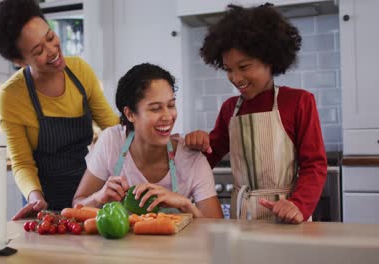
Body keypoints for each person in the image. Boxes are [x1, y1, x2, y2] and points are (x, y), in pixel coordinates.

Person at [185, 4, 327, 224]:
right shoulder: (229, 108)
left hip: (287, 214)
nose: (235, 77)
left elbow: (314, 164)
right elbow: (207, 157)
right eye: (228, 69)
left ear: (270, 60)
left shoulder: (299, 101)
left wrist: (298, 204)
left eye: (244, 66)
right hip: (241, 217)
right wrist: (196, 143)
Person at [0, 0, 119, 219]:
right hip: (45, 200)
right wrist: (35, 197)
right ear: (20, 60)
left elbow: (112, 126)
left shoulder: (80, 71)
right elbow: (22, 163)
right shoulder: (11, 97)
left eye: (50, 37)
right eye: (38, 50)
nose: (52, 50)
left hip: (88, 196)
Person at [73, 63, 223, 218]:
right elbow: (77, 204)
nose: (167, 116)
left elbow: (216, 227)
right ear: (130, 114)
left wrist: (184, 203)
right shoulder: (112, 142)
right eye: (155, 108)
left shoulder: (191, 157)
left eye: (171, 105)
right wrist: (99, 197)